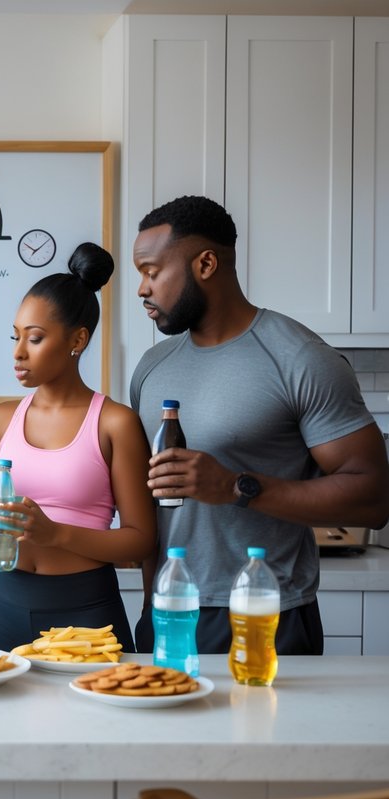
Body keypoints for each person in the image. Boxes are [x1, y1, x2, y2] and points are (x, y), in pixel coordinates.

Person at [130, 195, 389, 654]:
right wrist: (151, 605)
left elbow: (372, 498)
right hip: (167, 611)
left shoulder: (299, 358)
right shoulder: (152, 368)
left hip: (266, 612)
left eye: (152, 272)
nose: (142, 289)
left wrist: (236, 487)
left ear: (206, 263)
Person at [0, 243, 156, 653]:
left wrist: (55, 533)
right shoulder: (0, 420)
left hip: (87, 613)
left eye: (34, 338)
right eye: (15, 337)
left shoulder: (114, 423)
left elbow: (141, 541)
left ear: (77, 339)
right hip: (6, 606)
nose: (17, 352)